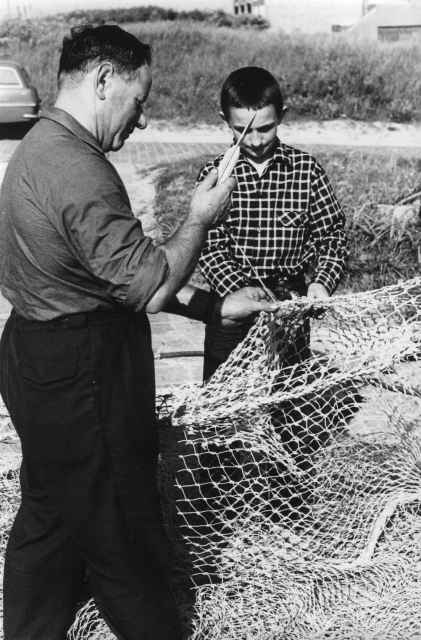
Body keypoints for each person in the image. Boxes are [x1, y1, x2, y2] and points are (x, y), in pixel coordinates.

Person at [0, 27, 276, 640]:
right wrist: (200, 219)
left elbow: (114, 270)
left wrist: (212, 307)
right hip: (83, 371)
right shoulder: (77, 171)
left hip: (35, 357)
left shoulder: (39, 147)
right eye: (140, 99)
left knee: (49, 508)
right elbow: (149, 286)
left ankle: (28, 626)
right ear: (103, 80)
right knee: (122, 525)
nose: (143, 120)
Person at [198, 66, 348, 381]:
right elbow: (208, 247)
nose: (254, 140)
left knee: (288, 398)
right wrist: (240, 293)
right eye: (242, 130)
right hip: (232, 308)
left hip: (289, 307)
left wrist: (320, 282)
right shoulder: (214, 175)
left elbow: (331, 237)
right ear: (224, 119)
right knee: (223, 406)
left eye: (264, 128)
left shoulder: (307, 171)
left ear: (282, 115)